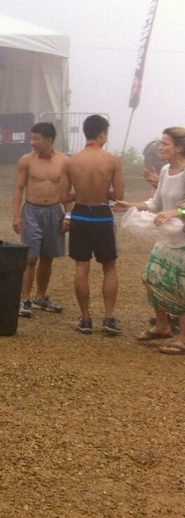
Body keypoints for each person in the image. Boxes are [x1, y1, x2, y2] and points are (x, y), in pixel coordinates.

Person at [113, 127, 185, 351]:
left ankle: (183, 339)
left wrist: (176, 212)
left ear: (178, 148)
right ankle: (162, 326)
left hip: (183, 239)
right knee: (151, 276)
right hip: (167, 235)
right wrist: (130, 205)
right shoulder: (165, 171)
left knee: (181, 285)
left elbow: (178, 209)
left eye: (165, 143)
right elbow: (156, 203)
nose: (160, 147)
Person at [63, 114, 124, 335]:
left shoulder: (72, 161)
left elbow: (63, 196)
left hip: (80, 214)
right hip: (101, 215)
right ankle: (108, 318)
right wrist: (101, 192)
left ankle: (86, 319)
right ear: (102, 134)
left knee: (81, 266)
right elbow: (119, 196)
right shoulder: (112, 160)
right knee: (109, 266)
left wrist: (81, 194)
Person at [12, 122, 70, 318]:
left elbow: (68, 192)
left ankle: (41, 297)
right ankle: (25, 299)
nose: (32, 142)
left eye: (36, 139)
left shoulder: (64, 161)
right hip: (31, 211)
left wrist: (68, 216)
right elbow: (18, 188)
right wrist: (16, 215)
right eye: (31, 138)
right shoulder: (26, 160)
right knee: (30, 257)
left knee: (47, 257)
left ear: (49, 140)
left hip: (54, 211)